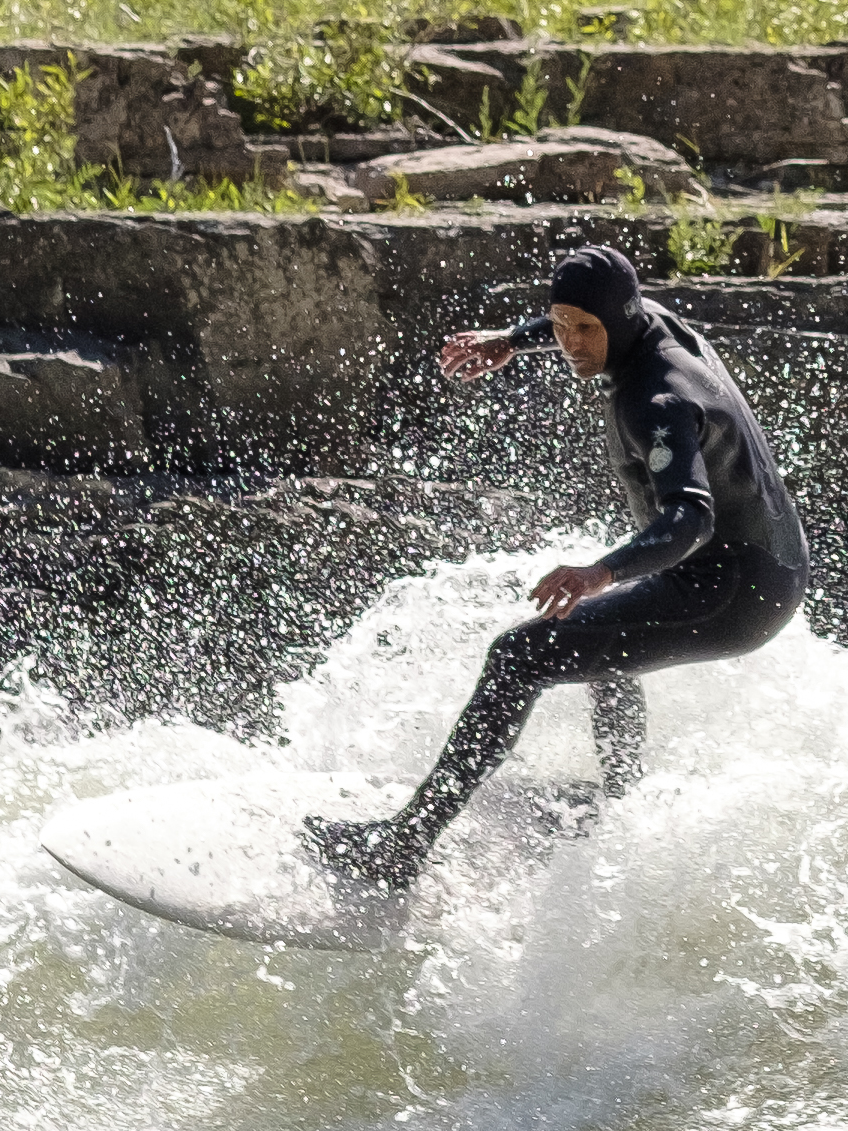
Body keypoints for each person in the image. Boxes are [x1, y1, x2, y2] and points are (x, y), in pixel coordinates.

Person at [304, 243, 809, 889]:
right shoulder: (652, 321)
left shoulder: (655, 400)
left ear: (620, 320)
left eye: (586, 329)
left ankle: (401, 848)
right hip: (771, 560)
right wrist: (511, 338)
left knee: (519, 656)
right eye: (561, 322)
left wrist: (600, 570)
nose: (571, 342)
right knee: (603, 640)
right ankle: (624, 803)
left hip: (734, 590)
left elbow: (691, 517)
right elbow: (580, 315)